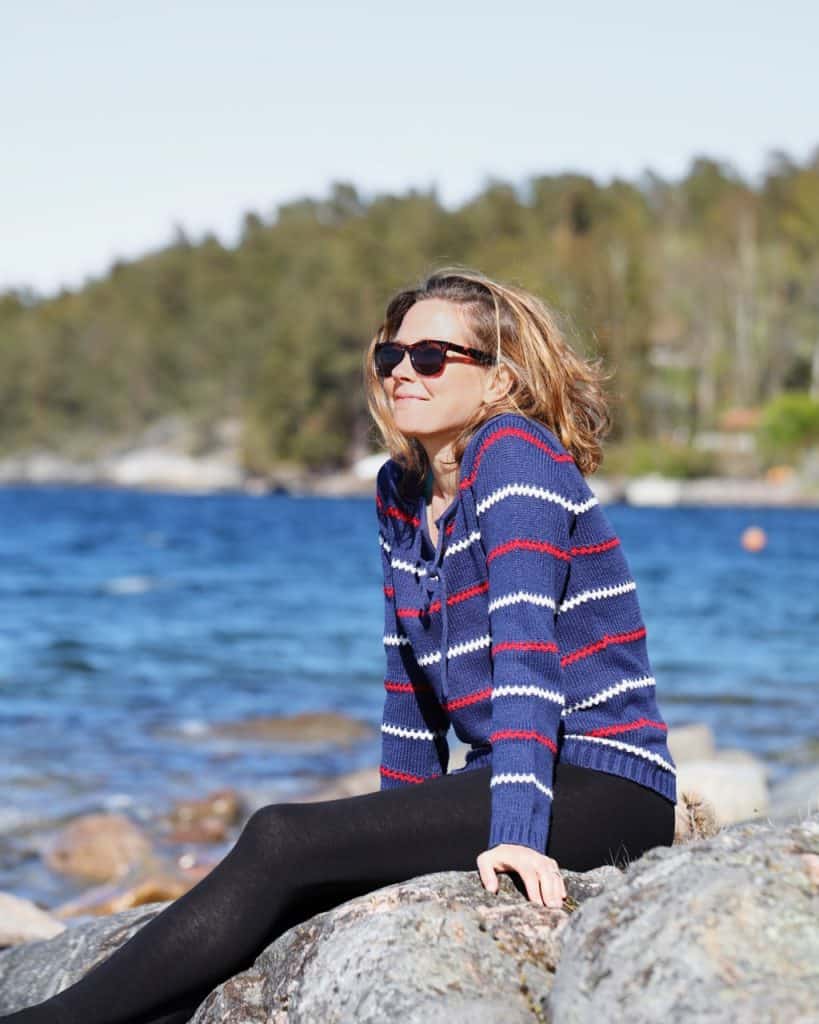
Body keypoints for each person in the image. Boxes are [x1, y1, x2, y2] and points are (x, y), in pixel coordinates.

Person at [1, 267, 676, 1023]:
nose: (402, 374)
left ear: (499, 380)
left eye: (430, 357)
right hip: (513, 776)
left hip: (600, 783)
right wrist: (388, 842)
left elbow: (526, 656)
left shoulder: (514, 457)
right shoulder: (401, 491)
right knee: (299, 881)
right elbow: (408, 696)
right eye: (391, 357)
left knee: (280, 835)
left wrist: (517, 837)